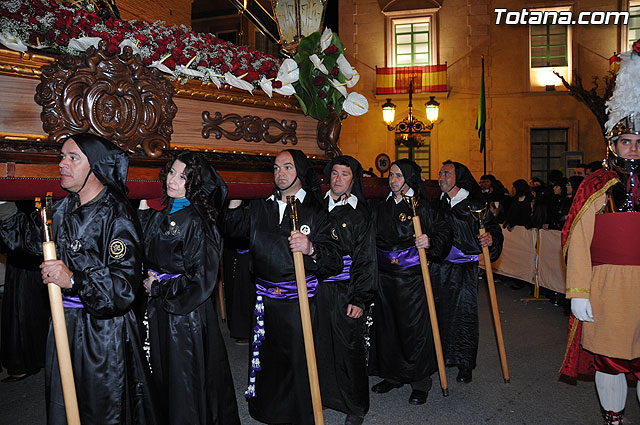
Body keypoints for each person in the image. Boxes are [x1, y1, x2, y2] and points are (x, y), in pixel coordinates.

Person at [0, 133, 157, 425]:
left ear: (95, 168)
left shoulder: (117, 216)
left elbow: (122, 288)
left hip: (102, 334)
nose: (62, 164)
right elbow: (27, 238)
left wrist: (74, 280)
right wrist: (4, 202)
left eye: (73, 158)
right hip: (63, 325)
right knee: (64, 403)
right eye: (62, 156)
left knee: (100, 408)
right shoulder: (62, 209)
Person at [222, 149, 342, 425]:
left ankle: (298, 415)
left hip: (298, 302)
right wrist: (234, 199)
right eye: (276, 168)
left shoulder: (316, 211)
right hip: (265, 301)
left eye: (287, 167)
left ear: (299, 171)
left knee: (297, 361)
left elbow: (334, 259)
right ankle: (267, 411)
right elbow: (231, 230)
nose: (280, 174)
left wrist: (311, 248)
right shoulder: (260, 207)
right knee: (267, 359)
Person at [560, 42, 640, 425]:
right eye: (627, 142)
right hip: (608, 286)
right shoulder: (597, 184)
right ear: (613, 144)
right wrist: (577, 292)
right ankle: (613, 419)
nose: (634, 150)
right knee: (611, 361)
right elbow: (578, 242)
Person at [138, 151, 240, 425]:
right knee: (163, 376)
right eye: (172, 172)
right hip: (161, 309)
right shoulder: (163, 213)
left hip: (185, 317)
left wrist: (158, 287)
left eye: (183, 177)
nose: (173, 180)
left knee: (186, 383)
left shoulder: (197, 221)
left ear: (194, 183)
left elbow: (201, 280)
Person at [368, 159, 452, 406]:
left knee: (413, 330)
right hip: (385, 279)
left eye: (398, 175)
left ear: (410, 178)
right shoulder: (380, 206)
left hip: (412, 280)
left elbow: (444, 231)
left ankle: (419, 382)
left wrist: (429, 240)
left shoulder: (422, 207)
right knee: (387, 328)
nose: (393, 180)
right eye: (391, 175)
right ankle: (393, 375)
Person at [317, 156, 378, 425]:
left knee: (348, 349)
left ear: (353, 180)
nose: (337, 178)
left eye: (344, 174)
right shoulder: (315, 208)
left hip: (346, 290)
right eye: (334, 173)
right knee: (321, 346)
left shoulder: (359, 214)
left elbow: (366, 259)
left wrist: (360, 298)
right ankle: (325, 397)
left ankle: (355, 406)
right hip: (316, 289)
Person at [432, 161, 503, 383]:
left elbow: (493, 229)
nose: (441, 177)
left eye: (446, 174)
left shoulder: (475, 205)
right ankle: (442, 357)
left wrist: (490, 238)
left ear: (458, 177)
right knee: (440, 313)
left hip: (463, 271)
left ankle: (464, 363)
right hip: (439, 269)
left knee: (464, 316)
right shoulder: (437, 205)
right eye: (440, 173)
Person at [1, 228, 50, 382]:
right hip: (24, 252)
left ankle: (27, 362)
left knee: (23, 309)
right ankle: (32, 359)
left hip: (26, 250)